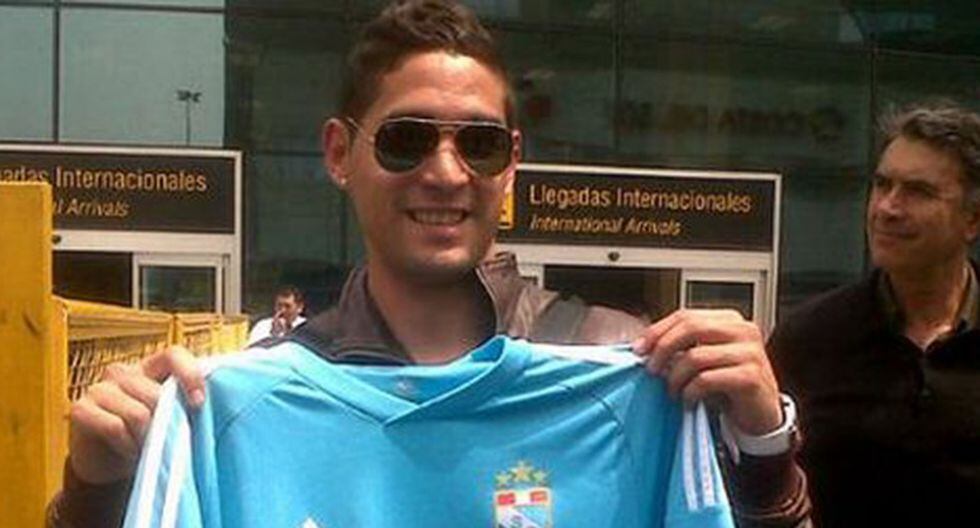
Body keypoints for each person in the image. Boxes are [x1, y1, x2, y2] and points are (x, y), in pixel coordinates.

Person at [47, 1, 809, 526]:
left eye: (478, 144)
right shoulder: (234, 412)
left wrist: (764, 445)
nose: (445, 174)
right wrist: (95, 493)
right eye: (406, 140)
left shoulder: (627, 371)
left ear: (511, 163)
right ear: (340, 154)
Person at [769, 101, 980, 526]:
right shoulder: (808, 339)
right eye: (882, 185)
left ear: (972, 220)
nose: (887, 208)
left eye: (918, 192)